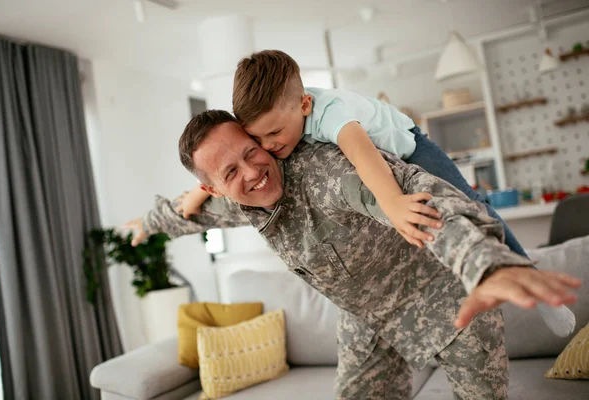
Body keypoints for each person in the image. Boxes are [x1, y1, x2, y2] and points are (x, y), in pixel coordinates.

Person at [126, 110, 580, 399]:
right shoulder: (235, 200)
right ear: (213, 187)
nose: (254, 171)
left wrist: (485, 265)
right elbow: (191, 215)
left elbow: (422, 201)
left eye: (251, 152)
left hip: (448, 300)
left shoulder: (327, 172)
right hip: (371, 320)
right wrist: (149, 222)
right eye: (231, 171)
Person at [174, 49, 575, 337]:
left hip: (413, 149)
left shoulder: (332, 115)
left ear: (306, 105)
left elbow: (364, 157)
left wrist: (392, 202)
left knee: (472, 205)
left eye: (274, 134)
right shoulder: (281, 119)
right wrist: (196, 195)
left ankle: (523, 271)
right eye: (257, 139)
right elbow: (223, 159)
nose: (270, 147)